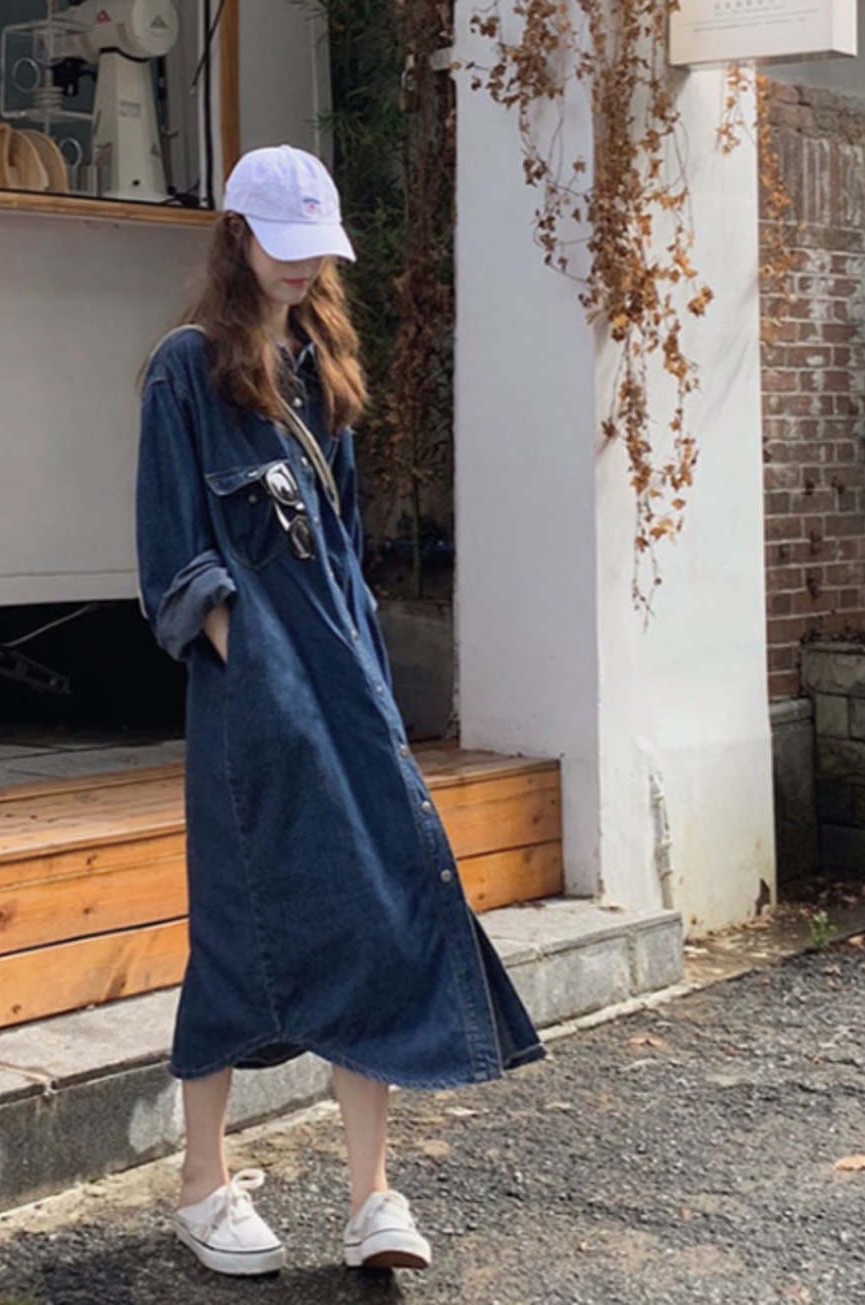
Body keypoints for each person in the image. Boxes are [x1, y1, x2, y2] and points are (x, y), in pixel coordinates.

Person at [134, 144, 544, 1278]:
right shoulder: (183, 373)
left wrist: (359, 675)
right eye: (284, 245)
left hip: (347, 683)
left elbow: (345, 549)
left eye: (317, 249)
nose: (304, 267)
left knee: (376, 906)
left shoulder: (321, 372)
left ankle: (371, 1196)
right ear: (236, 236)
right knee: (238, 929)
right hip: (252, 699)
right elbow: (173, 561)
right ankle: (202, 1184)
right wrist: (257, 664)